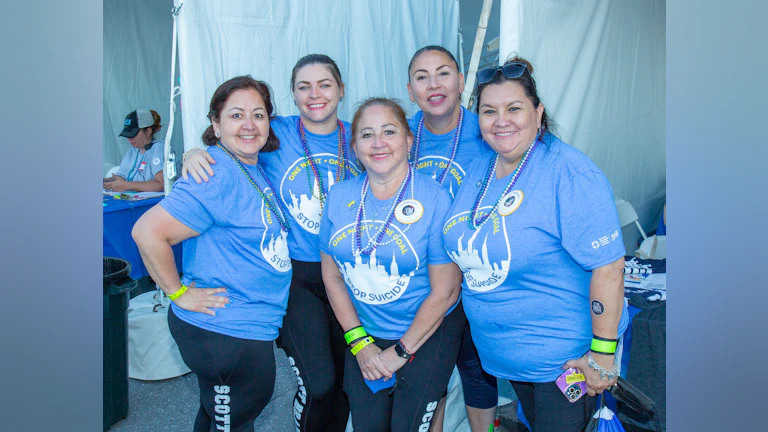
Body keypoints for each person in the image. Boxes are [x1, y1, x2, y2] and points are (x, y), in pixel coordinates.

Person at [441, 57, 629, 432]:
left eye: (514, 108)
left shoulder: (569, 172)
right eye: (489, 110)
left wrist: (602, 357)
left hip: (563, 364)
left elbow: (609, 268)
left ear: (538, 112)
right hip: (510, 360)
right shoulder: (483, 166)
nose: (501, 120)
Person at [181, 54, 357, 432]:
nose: (315, 94)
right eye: (303, 87)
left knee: (344, 385)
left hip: (348, 277)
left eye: (325, 84)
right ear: (293, 95)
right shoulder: (278, 132)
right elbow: (233, 136)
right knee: (320, 383)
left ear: (341, 90)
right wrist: (195, 153)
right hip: (295, 279)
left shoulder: (359, 136)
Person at [132, 76, 293, 432]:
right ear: (216, 125)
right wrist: (177, 293)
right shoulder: (217, 172)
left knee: (218, 416)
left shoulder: (248, 166)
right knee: (233, 421)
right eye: (236, 115)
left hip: (242, 326)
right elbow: (147, 233)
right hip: (224, 329)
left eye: (259, 114)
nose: (249, 125)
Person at [319, 97, 466, 432]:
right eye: (367, 135)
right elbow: (332, 277)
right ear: (354, 146)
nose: (379, 143)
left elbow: (445, 292)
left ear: (409, 141)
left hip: (426, 333)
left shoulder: (435, 199)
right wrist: (360, 343)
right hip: (365, 334)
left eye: (389, 131)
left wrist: (398, 353)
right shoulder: (339, 196)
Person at [406, 46, 499, 432]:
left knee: (477, 369)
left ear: (461, 82)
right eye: (422, 77)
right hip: (425, 279)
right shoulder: (400, 133)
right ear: (411, 90)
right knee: (432, 375)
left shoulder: (490, 128)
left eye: (443, 73)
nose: (434, 85)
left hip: (477, 273)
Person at [104, 109, 165, 192]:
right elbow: (122, 177)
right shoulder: (133, 150)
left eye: (133, 134)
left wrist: (127, 185)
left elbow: (161, 184)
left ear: (148, 131)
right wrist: (109, 182)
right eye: (127, 135)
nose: (129, 139)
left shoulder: (158, 148)